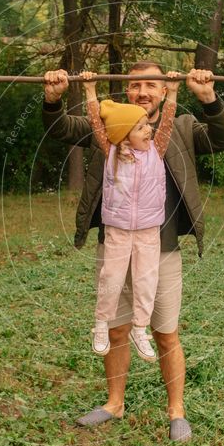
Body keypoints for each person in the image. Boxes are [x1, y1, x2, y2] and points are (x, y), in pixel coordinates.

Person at [42, 62, 224, 441]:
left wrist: (208, 98)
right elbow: (60, 128)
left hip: (161, 249)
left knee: (165, 333)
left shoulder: (179, 127)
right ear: (126, 91)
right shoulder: (113, 123)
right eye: (135, 85)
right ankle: (114, 403)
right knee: (116, 329)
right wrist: (52, 99)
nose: (143, 91)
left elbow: (222, 139)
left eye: (152, 84)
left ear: (165, 91)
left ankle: (176, 410)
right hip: (115, 244)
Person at [80, 70, 179, 362]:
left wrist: (172, 90)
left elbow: (168, 121)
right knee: (111, 278)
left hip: (149, 231)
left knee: (146, 281)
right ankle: (101, 323)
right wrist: (89, 90)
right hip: (118, 231)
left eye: (147, 126)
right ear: (124, 135)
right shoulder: (111, 151)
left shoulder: (156, 151)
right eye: (140, 128)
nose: (148, 131)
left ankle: (140, 328)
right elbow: (97, 121)